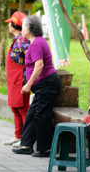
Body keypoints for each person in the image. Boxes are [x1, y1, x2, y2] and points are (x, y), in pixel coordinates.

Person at [12, 14, 61, 157]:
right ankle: (26, 145)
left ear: (29, 28)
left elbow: (39, 65)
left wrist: (28, 84)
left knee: (42, 115)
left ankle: (45, 149)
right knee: (32, 114)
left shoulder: (37, 43)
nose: (22, 29)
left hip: (47, 83)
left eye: (23, 26)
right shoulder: (37, 42)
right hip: (43, 85)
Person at [3, 11, 30, 147]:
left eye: (10, 23)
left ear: (14, 25)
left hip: (21, 79)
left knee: (23, 108)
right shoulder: (17, 40)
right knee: (15, 107)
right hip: (14, 79)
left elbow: (30, 58)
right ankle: (18, 135)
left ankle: (25, 139)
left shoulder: (22, 41)